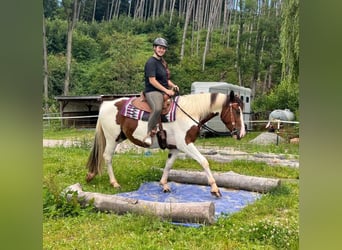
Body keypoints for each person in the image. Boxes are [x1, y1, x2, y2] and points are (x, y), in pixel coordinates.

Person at [143, 37, 179, 146]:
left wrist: (174, 86)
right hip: (153, 91)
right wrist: (167, 91)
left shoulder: (162, 62)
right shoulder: (151, 62)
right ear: (154, 48)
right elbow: (152, 80)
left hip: (163, 90)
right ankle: (149, 133)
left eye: (163, 48)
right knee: (157, 108)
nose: (161, 50)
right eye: (159, 48)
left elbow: (166, 80)